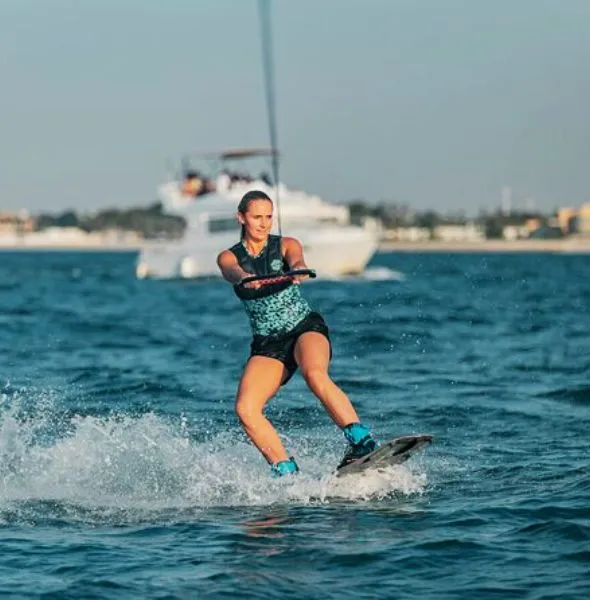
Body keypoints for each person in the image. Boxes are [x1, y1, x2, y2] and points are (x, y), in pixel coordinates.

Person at [216, 190, 379, 477]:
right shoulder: (229, 256)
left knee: (314, 373)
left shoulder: (285, 245)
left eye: (269, 217)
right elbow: (230, 270)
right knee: (246, 408)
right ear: (241, 217)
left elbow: (297, 258)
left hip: (304, 327)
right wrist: (244, 278)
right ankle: (286, 471)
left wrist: (300, 269)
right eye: (257, 217)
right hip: (268, 344)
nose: (264, 223)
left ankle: (360, 440)